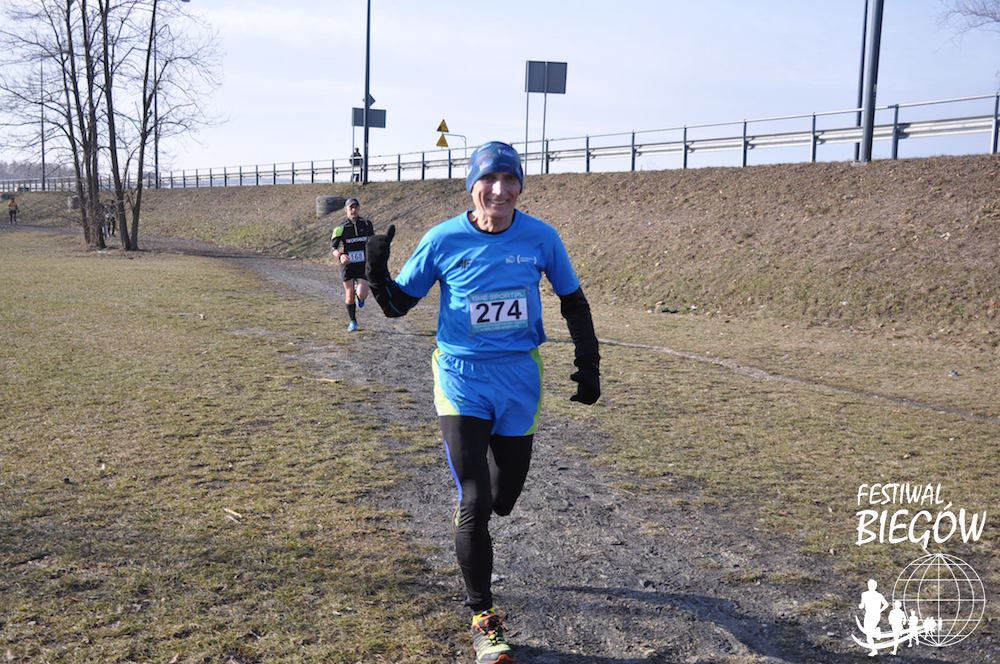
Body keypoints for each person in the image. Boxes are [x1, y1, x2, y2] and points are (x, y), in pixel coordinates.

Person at [364, 141, 600, 664]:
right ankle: (483, 618)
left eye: (509, 180)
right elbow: (398, 306)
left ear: (520, 187)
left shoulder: (542, 237)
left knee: (502, 497)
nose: (499, 190)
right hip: (461, 377)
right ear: (472, 186)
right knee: (473, 501)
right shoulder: (442, 239)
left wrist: (589, 361)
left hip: (518, 378)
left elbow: (573, 301)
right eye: (488, 180)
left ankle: (480, 517)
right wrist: (377, 271)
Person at [330, 197, 373, 331]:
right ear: (346, 210)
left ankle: (360, 297)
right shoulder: (340, 228)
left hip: (363, 264)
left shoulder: (367, 224)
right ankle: (353, 321)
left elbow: (372, 242)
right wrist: (340, 255)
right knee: (349, 294)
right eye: (351, 208)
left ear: (359, 208)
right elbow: (333, 248)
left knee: (362, 293)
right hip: (347, 264)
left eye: (356, 207)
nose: (353, 210)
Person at [858, 579, 889, 657]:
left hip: (874, 614)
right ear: (868, 585)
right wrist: (860, 606)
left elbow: (886, 604)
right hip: (869, 614)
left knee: (868, 634)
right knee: (868, 633)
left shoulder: (878, 595)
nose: (871, 586)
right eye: (870, 585)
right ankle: (876, 632)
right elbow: (862, 604)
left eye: (872, 585)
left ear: (875, 586)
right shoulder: (864, 594)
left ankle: (874, 650)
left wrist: (880, 610)